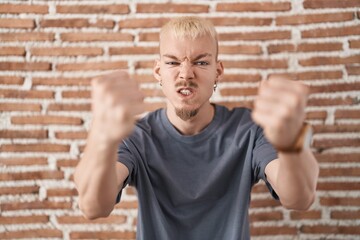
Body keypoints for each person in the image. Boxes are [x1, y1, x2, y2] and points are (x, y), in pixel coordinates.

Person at [74, 16, 319, 239]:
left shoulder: (249, 130)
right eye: (173, 62)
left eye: (201, 62)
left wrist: (292, 142)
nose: (186, 73)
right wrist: (100, 137)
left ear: (217, 72)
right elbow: (93, 207)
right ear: (158, 71)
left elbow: (299, 199)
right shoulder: (136, 136)